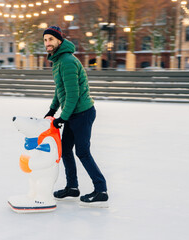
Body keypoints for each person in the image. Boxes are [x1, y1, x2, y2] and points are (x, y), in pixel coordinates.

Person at [42, 26, 108, 206]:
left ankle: (101, 189)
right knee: (65, 149)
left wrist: (62, 117)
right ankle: (72, 187)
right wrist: (52, 110)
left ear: (59, 41)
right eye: (45, 39)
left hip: (82, 113)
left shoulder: (67, 61)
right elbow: (60, 89)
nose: (47, 43)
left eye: (51, 39)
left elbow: (73, 94)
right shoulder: (58, 61)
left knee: (83, 152)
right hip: (73, 113)